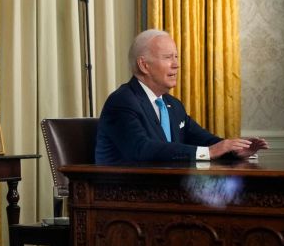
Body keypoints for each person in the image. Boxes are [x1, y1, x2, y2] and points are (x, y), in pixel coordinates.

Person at [95, 29, 269, 164]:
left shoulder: (173, 105)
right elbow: (142, 150)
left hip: (165, 191)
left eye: (176, 57)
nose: (176, 65)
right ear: (144, 65)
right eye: (168, 57)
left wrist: (234, 150)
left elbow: (204, 139)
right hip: (124, 196)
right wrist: (208, 152)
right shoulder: (122, 101)